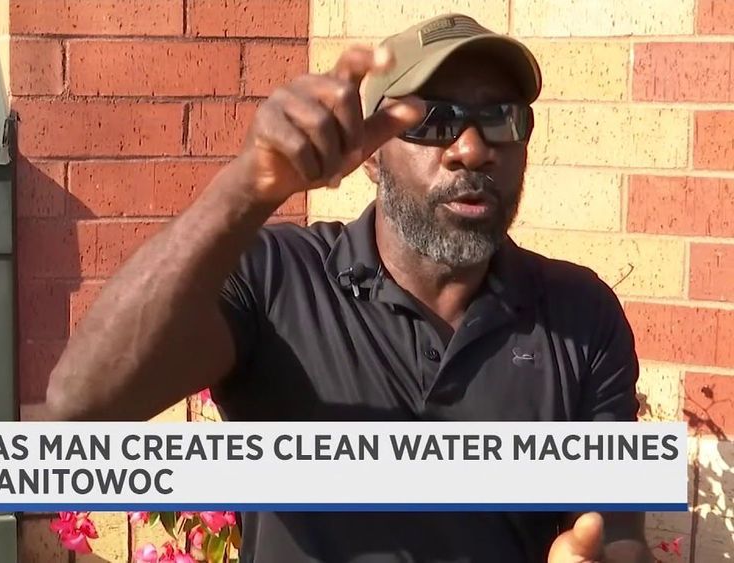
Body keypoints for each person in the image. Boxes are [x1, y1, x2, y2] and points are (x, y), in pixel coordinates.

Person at [45, 12, 652, 563]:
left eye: (501, 119)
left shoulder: (579, 314)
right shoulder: (276, 279)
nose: (472, 150)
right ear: (370, 155)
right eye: (433, 121)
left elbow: (615, 532)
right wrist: (248, 186)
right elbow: (84, 406)